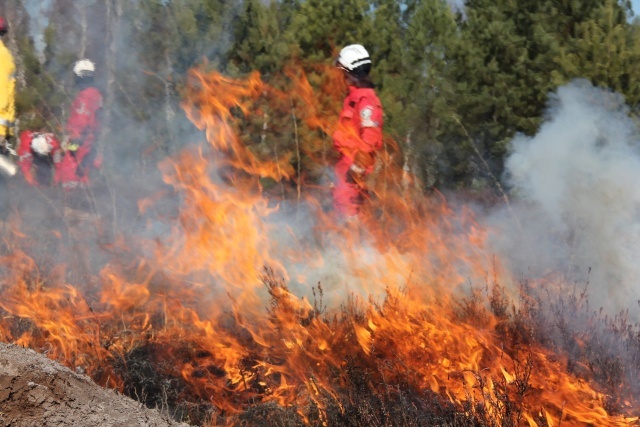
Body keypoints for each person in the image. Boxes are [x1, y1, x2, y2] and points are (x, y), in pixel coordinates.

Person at [332, 44, 384, 219]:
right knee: (342, 207)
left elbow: (371, 135)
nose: (341, 76)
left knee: (348, 211)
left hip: (355, 169)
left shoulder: (365, 100)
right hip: (347, 166)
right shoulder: (353, 98)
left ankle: (352, 244)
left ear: (351, 72)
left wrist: (358, 167)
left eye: (343, 72)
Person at [59, 59, 103, 189]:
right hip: (90, 140)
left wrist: (71, 145)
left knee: (70, 168)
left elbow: (80, 121)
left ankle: (71, 200)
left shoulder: (85, 96)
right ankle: (83, 198)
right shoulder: (97, 95)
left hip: (79, 141)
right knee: (84, 170)